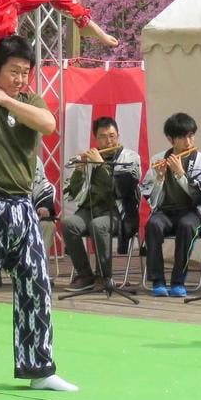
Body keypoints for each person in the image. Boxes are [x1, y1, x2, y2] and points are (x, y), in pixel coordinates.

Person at [0, 32, 77, 396]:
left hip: (21, 207)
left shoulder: (27, 100)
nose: (21, 78)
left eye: (26, 72)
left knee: (37, 286)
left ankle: (40, 367)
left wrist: (7, 98)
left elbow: (47, 123)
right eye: (13, 71)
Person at [60, 117, 143, 289]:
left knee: (98, 225)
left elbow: (124, 188)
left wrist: (101, 164)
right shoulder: (90, 156)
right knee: (68, 223)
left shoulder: (130, 157)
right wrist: (79, 171)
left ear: (118, 136)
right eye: (103, 137)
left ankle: (104, 277)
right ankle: (85, 275)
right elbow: (72, 194)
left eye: (112, 136)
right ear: (96, 139)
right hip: (89, 209)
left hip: (117, 212)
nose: (108, 140)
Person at [141, 113, 201, 297]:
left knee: (186, 226)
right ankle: (157, 280)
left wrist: (181, 175)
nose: (188, 142)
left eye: (191, 136)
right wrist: (159, 178)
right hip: (166, 211)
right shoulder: (158, 158)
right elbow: (150, 198)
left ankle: (178, 281)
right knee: (153, 225)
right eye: (182, 137)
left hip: (192, 212)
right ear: (170, 139)